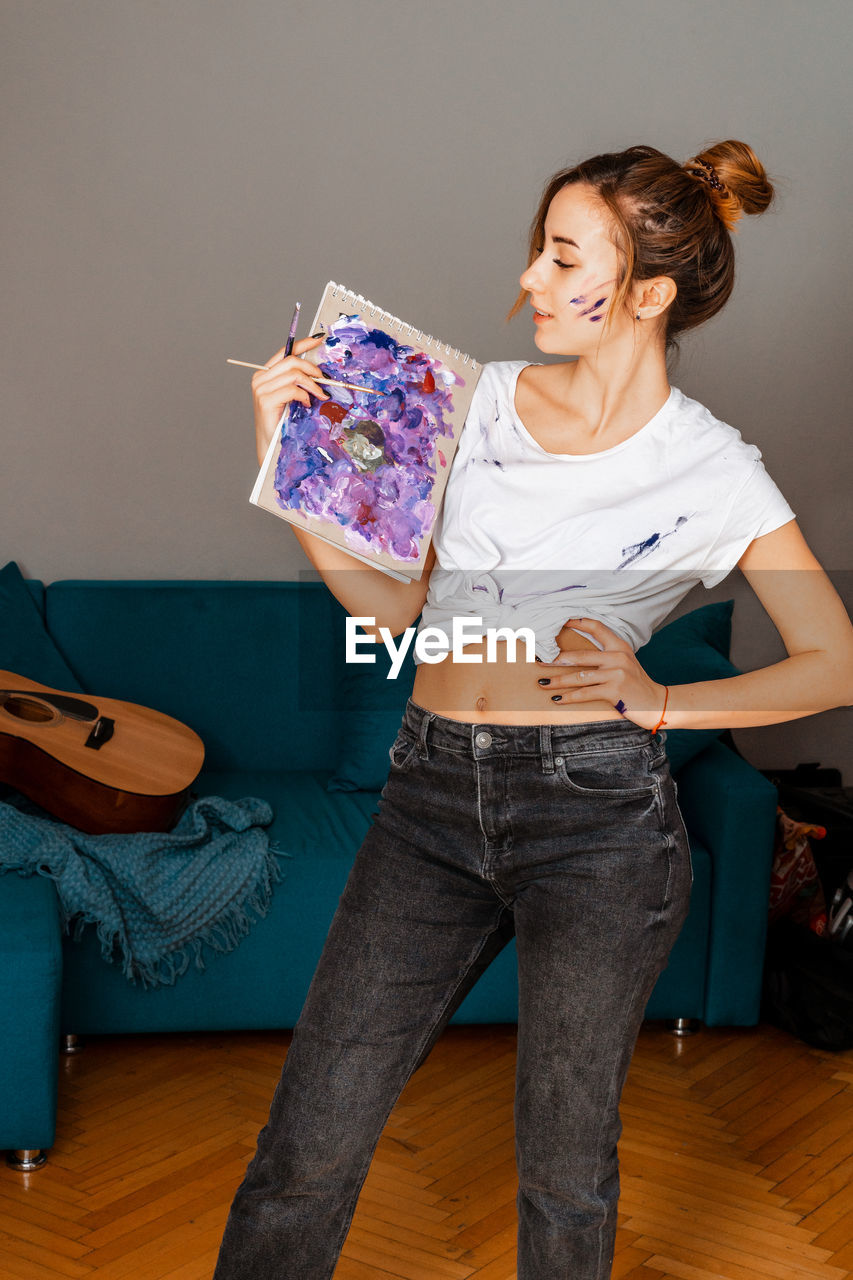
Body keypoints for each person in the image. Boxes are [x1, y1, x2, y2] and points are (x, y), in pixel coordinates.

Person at [214, 141, 853, 1279]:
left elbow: (832, 660)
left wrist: (661, 701)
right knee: (306, 1143)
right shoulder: (473, 403)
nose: (531, 281)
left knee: (565, 1175)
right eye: (537, 251)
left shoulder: (715, 470)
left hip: (598, 821)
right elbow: (396, 604)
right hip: (428, 795)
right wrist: (286, 467)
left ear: (648, 293)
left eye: (564, 258)